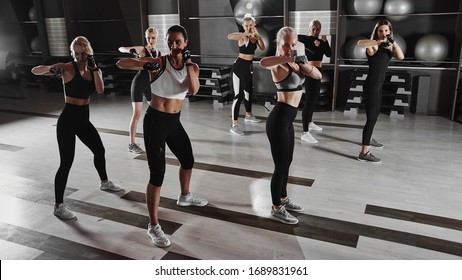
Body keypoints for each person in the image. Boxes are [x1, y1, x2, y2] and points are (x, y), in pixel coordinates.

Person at [116, 25, 208, 247]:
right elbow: (121, 63)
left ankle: (185, 196)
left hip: (174, 122)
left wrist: (186, 63)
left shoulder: (192, 66)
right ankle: (153, 225)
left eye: (178, 42)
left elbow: (193, 89)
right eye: (170, 42)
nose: (173, 46)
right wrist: (144, 63)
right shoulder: (159, 63)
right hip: (155, 121)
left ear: (186, 43)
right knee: (157, 174)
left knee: (188, 160)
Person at [31, 36, 122, 220]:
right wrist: (51, 70)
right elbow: (35, 70)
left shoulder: (93, 69)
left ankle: (104, 182)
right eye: (76, 53)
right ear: (72, 53)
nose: (79, 57)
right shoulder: (67, 68)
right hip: (67, 120)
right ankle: (58, 206)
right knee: (66, 163)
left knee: (99, 150)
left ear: (88, 52)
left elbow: (100, 89)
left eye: (83, 53)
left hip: (83, 120)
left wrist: (96, 70)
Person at [260, 27, 322, 224]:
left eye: (293, 44)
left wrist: (304, 63)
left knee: (287, 161)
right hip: (278, 120)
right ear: (279, 44)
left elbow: (318, 76)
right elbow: (263, 62)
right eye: (285, 44)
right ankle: (276, 208)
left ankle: (284, 199)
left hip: (288, 121)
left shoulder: (296, 62)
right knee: (280, 165)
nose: (289, 48)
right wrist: (288, 58)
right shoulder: (278, 64)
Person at [356, 19, 404, 163]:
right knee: (371, 118)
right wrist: (378, 41)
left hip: (378, 86)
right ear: (377, 32)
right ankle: (364, 152)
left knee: (374, 116)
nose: (383, 33)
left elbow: (401, 56)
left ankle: (369, 139)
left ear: (390, 32)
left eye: (386, 31)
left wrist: (392, 42)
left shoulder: (389, 47)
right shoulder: (374, 46)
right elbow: (360, 44)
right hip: (371, 86)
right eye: (381, 31)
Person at [118, 27, 161, 154]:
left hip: (149, 85)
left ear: (157, 38)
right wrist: (130, 51)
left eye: (153, 37)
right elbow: (121, 48)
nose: (150, 40)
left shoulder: (158, 53)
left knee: (157, 111)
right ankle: (131, 144)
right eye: (148, 37)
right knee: (137, 114)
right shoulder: (142, 49)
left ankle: (155, 138)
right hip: (138, 84)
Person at [227, 13, 266, 135]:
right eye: (246, 25)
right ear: (243, 26)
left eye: (250, 25)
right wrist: (246, 34)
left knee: (248, 92)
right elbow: (230, 36)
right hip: (239, 68)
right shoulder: (242, 37)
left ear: (254, 25)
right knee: (238, 96)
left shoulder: (255, 37)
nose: (248, 27)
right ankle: (234, 125)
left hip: (248, 68)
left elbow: (263, 47)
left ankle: (248, 115)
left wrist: (258, 36)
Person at [298, 19, 331, 144]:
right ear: (309, 28)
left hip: (318, 72)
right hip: (310, 71)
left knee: (314, 99)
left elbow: (329, 53)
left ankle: (310, 122)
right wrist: (313, 40)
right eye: (313, 28)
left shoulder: (322, 42)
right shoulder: (305, 39)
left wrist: (325, 41)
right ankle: (305, 133)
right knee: (309, 101)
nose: (315, 31)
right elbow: (297, 37)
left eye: (317, 29)